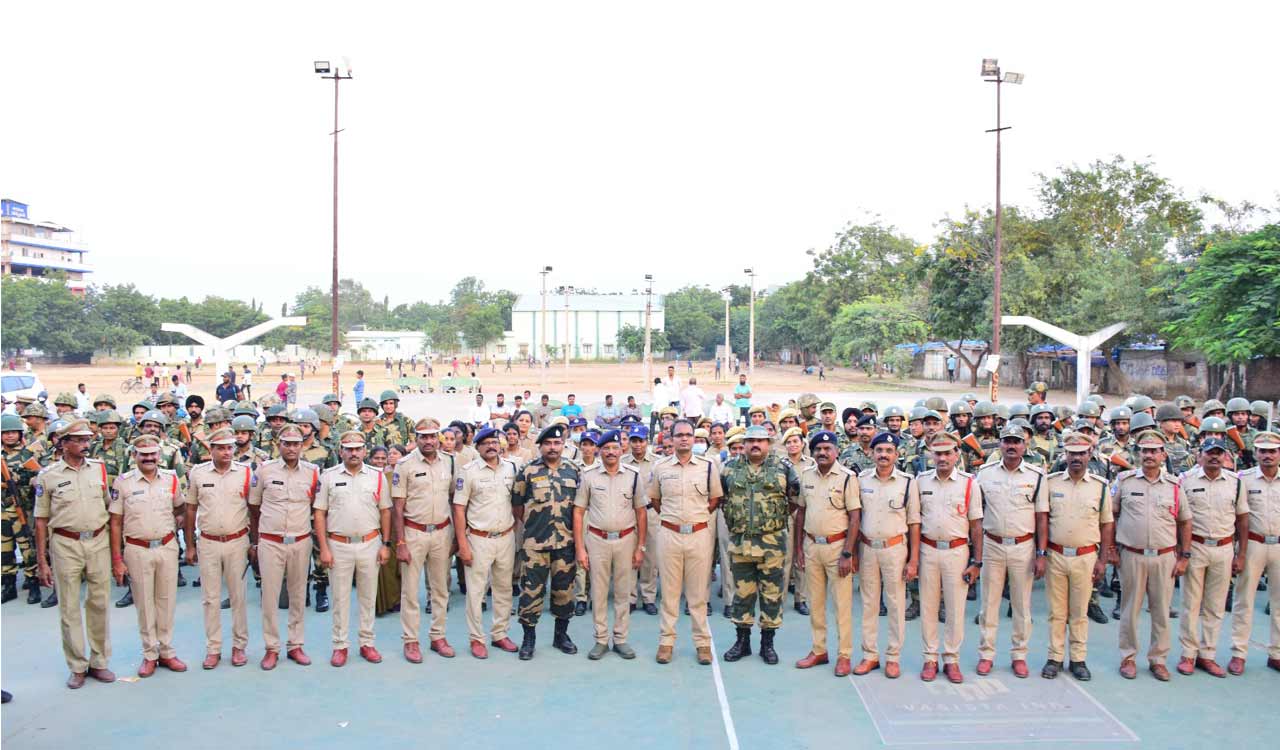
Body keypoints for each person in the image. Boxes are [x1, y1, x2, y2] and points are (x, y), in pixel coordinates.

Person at [34, 419, 116, 689]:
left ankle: (99, 661)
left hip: (98, 540)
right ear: (64, 443)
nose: (84, 444)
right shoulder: (49, 476)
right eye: (78, 440)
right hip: (65, 544)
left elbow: (111, 510)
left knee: (100, 603)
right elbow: (41, 520)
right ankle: (77, 665)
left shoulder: (100, 470)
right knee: (69, 606)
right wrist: (42, 560)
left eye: (86, 439)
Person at [1112, 430, 1192, 681]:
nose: (1149, 455)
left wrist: (1184, 556)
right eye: (1144, 450)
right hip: (1132, 556)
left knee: (1161, 611)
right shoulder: (1125, 481)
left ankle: (1158, 659)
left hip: (1164, 557)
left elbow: (1185, 522)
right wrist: (1112, 550)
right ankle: (1128, 657)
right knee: (1130, 610)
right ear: (1138, 454)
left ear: (1163, 454)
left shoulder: (1175, 485)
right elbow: (1111, 517)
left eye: (1154, 450)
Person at [109, 434, 188, 677]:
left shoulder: (171, 479)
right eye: (144, 454)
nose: (149, 458)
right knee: (144, 604)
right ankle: (149, 654)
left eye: (153, 454)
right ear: (135, 456)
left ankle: (166, 651)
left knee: (166, 601)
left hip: (166, 547)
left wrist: (177, 522)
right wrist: (117, 560)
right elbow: (115, 523)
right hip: (137, 549)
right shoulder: (123, 483)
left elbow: (181, 508)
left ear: (159, 455)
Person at [719, 425, 799, 665]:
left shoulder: (784, 469)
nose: (755, 444)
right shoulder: (729, 469)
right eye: (750, 440)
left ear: (769, 444)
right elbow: (723, 499)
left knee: (772, 595)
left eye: (760, 441)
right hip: (741, 543)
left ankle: (767, 643)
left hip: (772, 545)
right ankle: (742, 642)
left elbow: (793, 501)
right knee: (742, 595)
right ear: (743, 443)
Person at [1037, 432, 1113, 681]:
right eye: (1072, 453)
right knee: (1057, 612)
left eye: (1081, 453)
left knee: (1079, 612)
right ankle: (1055, 657)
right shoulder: (1052, 483)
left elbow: (1107, 524)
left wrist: (1103, 559)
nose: (1076, 458)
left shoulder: (1100, 487)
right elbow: (1044, 520)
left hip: (1085, 557)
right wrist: (1041, 553)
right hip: (1056, 555)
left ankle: (1078, 659)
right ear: (1065, 455)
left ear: (1090, 454)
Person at [314, 430, 393, 667]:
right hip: (339, 545)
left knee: (368, 597)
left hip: (370, 543)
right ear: (341, 451)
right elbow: (319, 513)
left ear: (365, 451)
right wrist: (324, 548)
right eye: (348, 449)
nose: (354, 453)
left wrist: (386, 544)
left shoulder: (377, 477)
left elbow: (385, 511)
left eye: (358, 448)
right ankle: (340, 645)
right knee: (340, 598)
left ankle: (367, 642)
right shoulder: (328, 476)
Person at [974, 424, 1047, 678]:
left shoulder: (1036, 476)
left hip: (1023, 547)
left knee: (1021, 606)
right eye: (1007, 441)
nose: (1012, 446)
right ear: (1000, 444)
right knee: (989, 605)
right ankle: (986, 654)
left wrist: (1041, 554)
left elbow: (1041, 518)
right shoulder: (984, 474)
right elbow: (976, 514)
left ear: (1025, 445)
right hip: (992, 545)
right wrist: (977, 554)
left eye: (1017, 441)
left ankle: (1019, 655)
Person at [649, 419, 724, 665]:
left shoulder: (708, 466)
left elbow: (714, 499)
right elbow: (656, 501)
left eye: (688, 435)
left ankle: (702, 643)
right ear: (670, 438)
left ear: (694, 439)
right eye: (679, 435)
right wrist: (675, 521)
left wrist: (694, 519)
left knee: (698, 594)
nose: (684, 439)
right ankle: (666, 642)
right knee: (669, 593)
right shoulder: (660, 467)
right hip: (669, 534)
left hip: (698, 535)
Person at [249, 423, 319, 670]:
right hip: (271, 542)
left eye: (296, 443)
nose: (291, 448)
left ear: (303, 445)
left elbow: (315, 507)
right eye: (286, 443)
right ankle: (271, 648)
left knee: (298, 595)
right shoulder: (264, 470)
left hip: (300, 541)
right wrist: (255, 542)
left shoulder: (313, 472)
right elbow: (254, 507)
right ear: (278, 445)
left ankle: (295, 645)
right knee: (269, 597)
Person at [1175, 436, 1247, 678]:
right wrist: (1181, 552)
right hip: (1195, 546)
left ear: (1225, 456)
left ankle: (1208, 654)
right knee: (1191, 604)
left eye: (1219, 452)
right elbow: (1179, 518)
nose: (1214, 456)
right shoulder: (1186, 480)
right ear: (1200, 455)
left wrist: (1241, 553)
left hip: (1224, 548)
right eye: (1210, 452)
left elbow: (1242, 519)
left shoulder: (1235, 483)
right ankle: (1188, 654)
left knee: (1215, 606)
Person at [573, 429, 647, 660]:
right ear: (599, 450)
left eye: (615, 448)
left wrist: (640, 547)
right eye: (606, 448)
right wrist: (580, 548)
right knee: (599, 591)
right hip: (597, 540)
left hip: (626, 539)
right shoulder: (589, 475)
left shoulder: (633, 475)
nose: (611, 452)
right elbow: (578, 512)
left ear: (621, 450)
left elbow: (641, 513)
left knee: (624, 592)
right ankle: (601, 639)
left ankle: (621, 639)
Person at [852, 432, 921, 679]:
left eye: (888, 451)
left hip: (895, 550)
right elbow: (856, 517)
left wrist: (913, 560)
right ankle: (869, 655)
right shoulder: (861, 480)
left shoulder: (907, 482)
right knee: (869, 604)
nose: (883, 455)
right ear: (871, 453)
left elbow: (914, 523)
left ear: (897, 454)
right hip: (868, 548)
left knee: (895, 604)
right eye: (879, 450)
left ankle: (893, 657)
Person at [915, 432, 983, 684]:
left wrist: (977, 561)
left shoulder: (969, 484)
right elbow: (914, 521)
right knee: (929, 606)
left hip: (957, 551)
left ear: (956, 455)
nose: (942, 458)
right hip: (928, 550)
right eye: (938, 453)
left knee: (955, 608)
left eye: (947, 453)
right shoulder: (920, 482)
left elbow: (976, 525)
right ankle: (930, 657)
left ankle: (951, 658)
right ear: (930, 455)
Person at [392, 419, 460, 662]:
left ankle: (437, 636)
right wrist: (400, 543)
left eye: (433, 436)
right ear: (416, 438)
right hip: (414, 533)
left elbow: (454, 498)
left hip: (442, 532)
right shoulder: (404, 464)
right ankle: (411, 641)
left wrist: (455, 536)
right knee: (410, 591)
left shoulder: (449, 461)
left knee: (440, 589)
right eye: (423, 436)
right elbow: (397, 508)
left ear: (438, 437)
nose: (429, 441)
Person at [185, 427, 252, 670]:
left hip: (237, 541)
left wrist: (253, 543)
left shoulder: (245, 472)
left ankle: (239, 647)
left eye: (230, 447)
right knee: (210, 598)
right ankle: (213, 648)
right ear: (210, 449)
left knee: (238, 596)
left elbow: (252, 508)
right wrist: (190, 545)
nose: (226, 452)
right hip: (209, 542)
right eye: (221, 448)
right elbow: (190, 509)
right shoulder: (198, 474)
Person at [792, 431, 859, 676]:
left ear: (836, 451)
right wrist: (798, 547)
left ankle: (844, 655)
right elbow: (801, 512)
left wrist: (848, 554)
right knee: (815, 602)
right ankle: (819, 650)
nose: (822, 452)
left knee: (842, 604)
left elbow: (854, 517)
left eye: (827, 448)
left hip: (837, 547)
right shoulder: (807, 475)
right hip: (811, 547)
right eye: (818, 448)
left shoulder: (846, 478)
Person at [512, 424, 581, 659]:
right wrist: (535, 526)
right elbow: (517, 505)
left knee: (564, 592)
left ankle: (561, 635)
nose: (553, 447)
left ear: (563, 445)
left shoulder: (574, 471)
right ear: (540, 446)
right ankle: (528, 638)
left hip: (566, 544)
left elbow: (580, 509)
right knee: (531, 593)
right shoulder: (527, 471)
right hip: (535, 545)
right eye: (548, 443)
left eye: (557, 443)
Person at [453, 426, 521, 659]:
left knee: (504, 588)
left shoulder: (511, 468)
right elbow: (459, 509)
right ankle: (476, 638)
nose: (491, 446)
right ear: (478, 446)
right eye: (486, 443)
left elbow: (516, 502)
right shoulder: (468, 471)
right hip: (479, 538)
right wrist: (462, 543)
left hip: (505, 536)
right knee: (476, 591)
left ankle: (500, 633)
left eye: (495, 442)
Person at [1228, 430, 1280, 675]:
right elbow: (1239, 518)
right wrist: (1238, 551)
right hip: (1254, 544)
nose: (1267, 456)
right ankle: (1239, 653)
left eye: (1272, 451)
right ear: (1256, 453)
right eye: (1263, 451)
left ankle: (1277, 653)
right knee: (1244, 601)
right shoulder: (1245, 480)